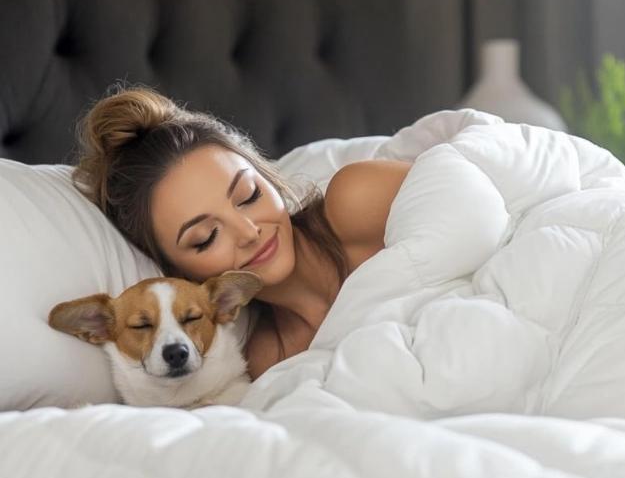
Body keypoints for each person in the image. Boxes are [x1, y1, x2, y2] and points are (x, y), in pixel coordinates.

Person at [71, 84, 412, 380]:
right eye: (206, 237)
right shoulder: (269, 360)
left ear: (267, 178)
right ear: (178, 272)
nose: (249, 232)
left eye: (249, 196)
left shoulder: (358, 200)